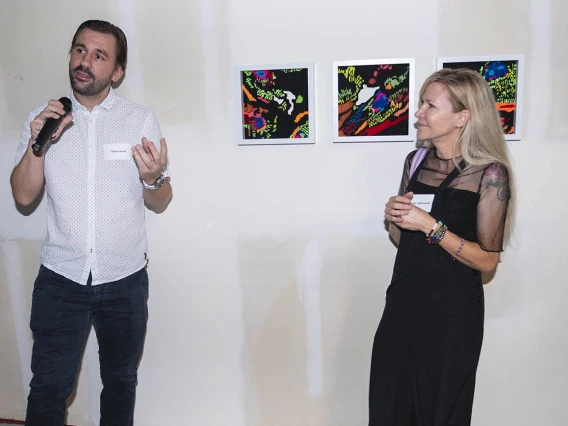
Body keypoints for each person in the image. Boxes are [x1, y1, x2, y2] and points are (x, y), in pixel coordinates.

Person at [10, 19, 172, 426]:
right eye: (80, 50)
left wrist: (154, 176)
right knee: (48, 387)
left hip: (125, 280)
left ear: (116, 71)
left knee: (120, 383)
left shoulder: (139, 120)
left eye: (99, 55)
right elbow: (23, 197)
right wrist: (37, 143)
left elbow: (161, 199)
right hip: (61, 279)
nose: (85, 61)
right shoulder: (42, 118)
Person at [368, 68, 514, 425]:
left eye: (430, 105)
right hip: (402, 304)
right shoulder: (414, 162)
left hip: (452, 315)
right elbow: (403, 242)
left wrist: (432, 226)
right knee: (390, 404)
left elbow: (487, 261)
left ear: (462, 116)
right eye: (421, 103)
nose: (418, 112)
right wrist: (396, 219)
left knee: (441, 409)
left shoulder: (489, 173)